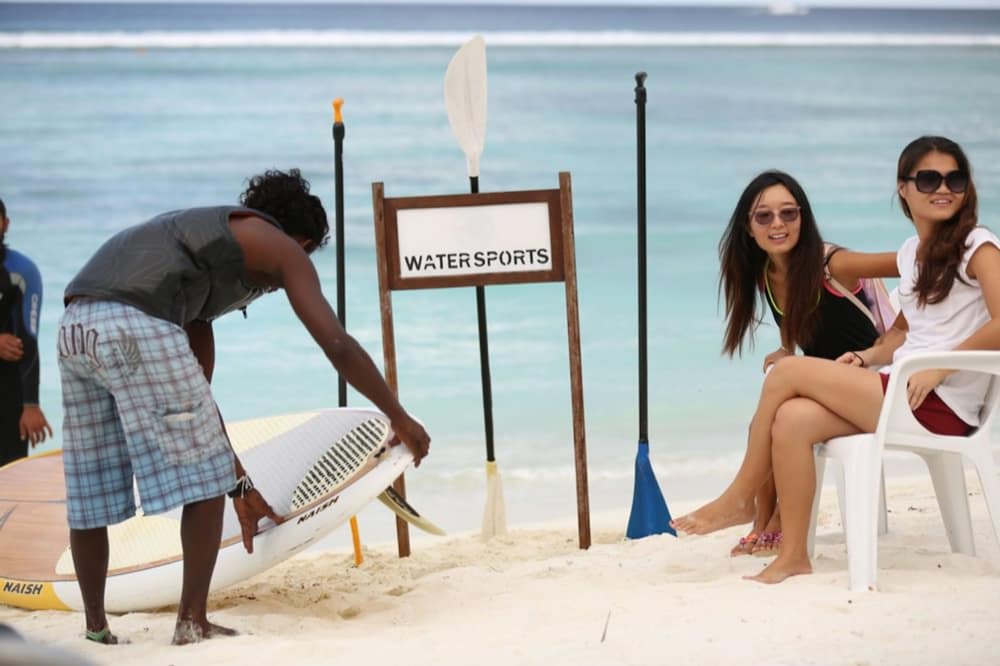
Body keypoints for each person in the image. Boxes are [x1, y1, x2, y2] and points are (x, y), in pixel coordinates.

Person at [57, 169, 431, 644]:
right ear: (301, 238)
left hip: (75, 325)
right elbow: (336, 343)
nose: (283, 280)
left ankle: (96, 630)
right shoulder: (277, 244)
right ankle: (191, 622)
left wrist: (242, 488)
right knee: (204, 477)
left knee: (91, 490)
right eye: (308, 251)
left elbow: (202, 411)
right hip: (135, 321)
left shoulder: (196, 268)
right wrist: (398, 415)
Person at [672, 136, 1000, 584]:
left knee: (787, 373)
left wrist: (940, 366)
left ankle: (741, 494)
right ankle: (792, 555)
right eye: (928, 178)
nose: (942, 188)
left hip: (941, 403)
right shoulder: (914, 254)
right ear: (904, 189)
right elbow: (902, 332)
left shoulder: (978, 246)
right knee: (791, 419)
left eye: (954, 178)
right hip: (904, 391)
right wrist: (865, 356)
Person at [718, 171, 897, 556]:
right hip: (828, 385)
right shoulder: (767, 273)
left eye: (789, 213)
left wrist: (880, 349)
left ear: (804, 217)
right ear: (748, 228)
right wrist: (787, 348)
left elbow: (911, 266)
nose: (778, 224)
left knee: (779, 401)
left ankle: (748, 500)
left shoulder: (834, 264)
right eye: (763, 216)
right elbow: (799, 322)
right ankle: (762, 519)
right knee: (766, 421)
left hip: (874, 382)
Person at [0, 197, 53, 466]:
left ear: (5, 224)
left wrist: (31, 404)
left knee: (9, 476)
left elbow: (29, 340)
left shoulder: (22, 272)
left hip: (7, 393)